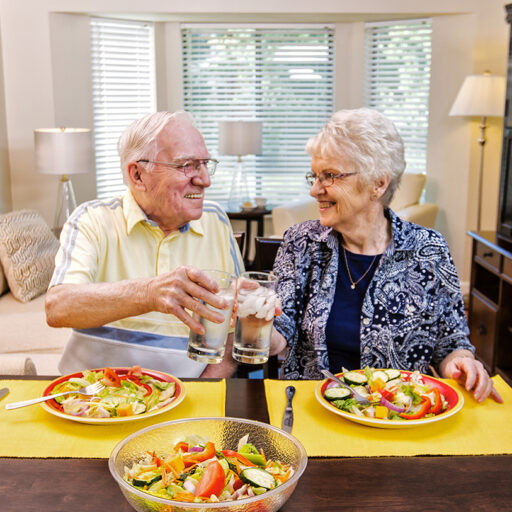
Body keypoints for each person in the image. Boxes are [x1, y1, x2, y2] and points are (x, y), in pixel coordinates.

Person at [271, 108, 502, 403]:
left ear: (378, 184)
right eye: (314, 176)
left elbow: (451, 343)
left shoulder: (428, 249)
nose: (316, 189)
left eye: (329, 176)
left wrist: (460, 361)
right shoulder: (301, 243)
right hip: (312, 411)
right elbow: (278, 337)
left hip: (401, 417)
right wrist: (257, 322)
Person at [45, 111, 244, 378]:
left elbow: (233, 330)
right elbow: (58, 307)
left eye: (205, 164)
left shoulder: (216, 220)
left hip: (190, 396)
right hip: (94, 396)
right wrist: (148, 293)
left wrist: (202, 393)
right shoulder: (92, 219)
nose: (205, 179)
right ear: (138, 174)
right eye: (187, 165)